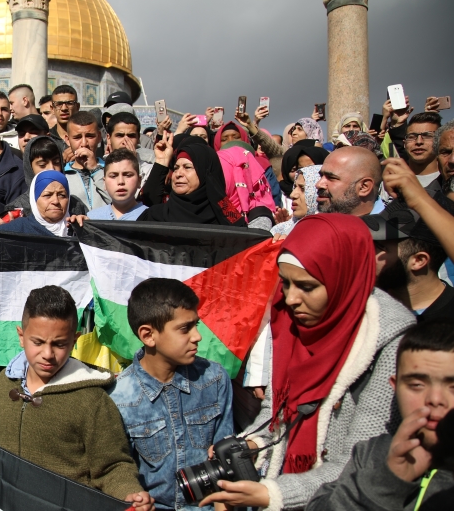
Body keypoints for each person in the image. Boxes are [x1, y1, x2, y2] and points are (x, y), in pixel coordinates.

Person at [199, 214, 416, 510]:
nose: (290, 298)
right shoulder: (291, 321)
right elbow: (277, 413)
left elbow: (362, 460)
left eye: (307, 286)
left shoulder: (389, 341)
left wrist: (272, 495)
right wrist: (250, 444)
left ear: (343, 277)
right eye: (286, 283)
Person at [0, 286, 153, 508]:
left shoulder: (93, 401)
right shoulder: (3, 384)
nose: (48, 354)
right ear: (21, 336)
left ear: (75, 340)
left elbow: (113, 466)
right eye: (38, 342)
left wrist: (129, 493)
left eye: (59, 344)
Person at [111, 278, 234, 511]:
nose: (197, 336)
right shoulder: (119, 398)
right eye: (185, 328)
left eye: (196, 325)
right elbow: (119, 473)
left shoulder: (214, 379)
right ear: (148, 335)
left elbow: (226, 460)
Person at [306, 322, 453, 511]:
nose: (435, 399)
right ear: (395, 386)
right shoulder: (372, 454)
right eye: (416, 385)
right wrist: (385, 482)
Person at [365, 206, 454, 326]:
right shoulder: (361, 301)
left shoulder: (448, 323)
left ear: (418, 261)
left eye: (380, 247)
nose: (366, 252)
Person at [138, 136, 247, 227]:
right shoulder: (155, 215)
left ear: (205, 173)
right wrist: (162, 162)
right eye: (176, 168)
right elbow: (149, 200)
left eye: (187, 167)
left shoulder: (228, 218)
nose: (178, 174)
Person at [2, 135, 88, 218]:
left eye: (56, 163)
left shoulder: (75, 205)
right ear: (30, 168)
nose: (51, 169)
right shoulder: (18, 209)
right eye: (42, 165)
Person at [0, 171, 84, 237]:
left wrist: (88, 229)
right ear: (34, 200)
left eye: (62, 195)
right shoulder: (15, 231)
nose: (55, 201)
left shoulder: (79, 228)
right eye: (47, 195)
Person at [316, 146, 385, 215]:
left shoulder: (387, 221)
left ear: (364, 187)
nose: (318, 184)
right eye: (321, 176)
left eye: (331, 178)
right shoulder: (317, 219)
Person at [63, 111, 110, 210]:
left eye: (90, 136)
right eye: (77, 137)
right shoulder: (62, 174)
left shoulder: (111, 169)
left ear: (99, 137)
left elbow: (119, 202)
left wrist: (95, 169)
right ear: (67, 139)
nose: (84, 143)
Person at [88, 149, 148, 221]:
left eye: (128, 175)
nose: (120, 181)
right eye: (113, 176)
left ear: (139, 181)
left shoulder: (150, 218)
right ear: (104, 183)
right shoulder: (92, 218)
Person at [271, 165, 321, 235]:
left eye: (303, 189)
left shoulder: (324, 234)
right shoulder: (281, 229)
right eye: (295, 187)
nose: (292, 195)